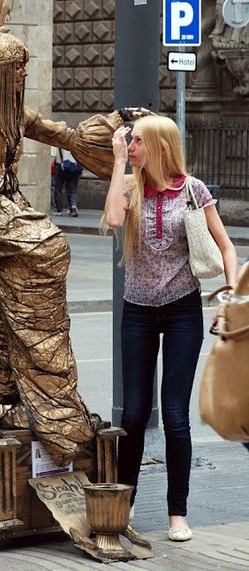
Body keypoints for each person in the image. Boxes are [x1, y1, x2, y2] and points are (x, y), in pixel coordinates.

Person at [0, 27, 149, 466]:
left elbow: (65, 135)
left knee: (47, 253)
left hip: (10, 205)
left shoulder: (14, 111)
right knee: (47, 245)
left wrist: (117, 123)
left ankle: (33, 379)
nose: (24, 74)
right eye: (18, 68)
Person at [103, 114, 238, 542]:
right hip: (138, 311)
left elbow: (226, 245)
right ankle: (122, 508)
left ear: (161, 146)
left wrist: (231, 296)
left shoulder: (193, 189)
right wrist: (118, 164)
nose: (133, 145)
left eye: (138, 141)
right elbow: (111, 220)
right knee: (136, 413)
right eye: (131, 140)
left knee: (176, 416)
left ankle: (177, 514)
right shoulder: (129, 186)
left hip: (182, 311)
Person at [54, 147, 82, 217]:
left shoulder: (57, 142)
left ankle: (59, 210)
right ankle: (73, 205)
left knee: (58, 189)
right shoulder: (74, 142)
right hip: (74, 166)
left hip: (61, 166)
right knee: (72, 188)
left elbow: (53, 154)